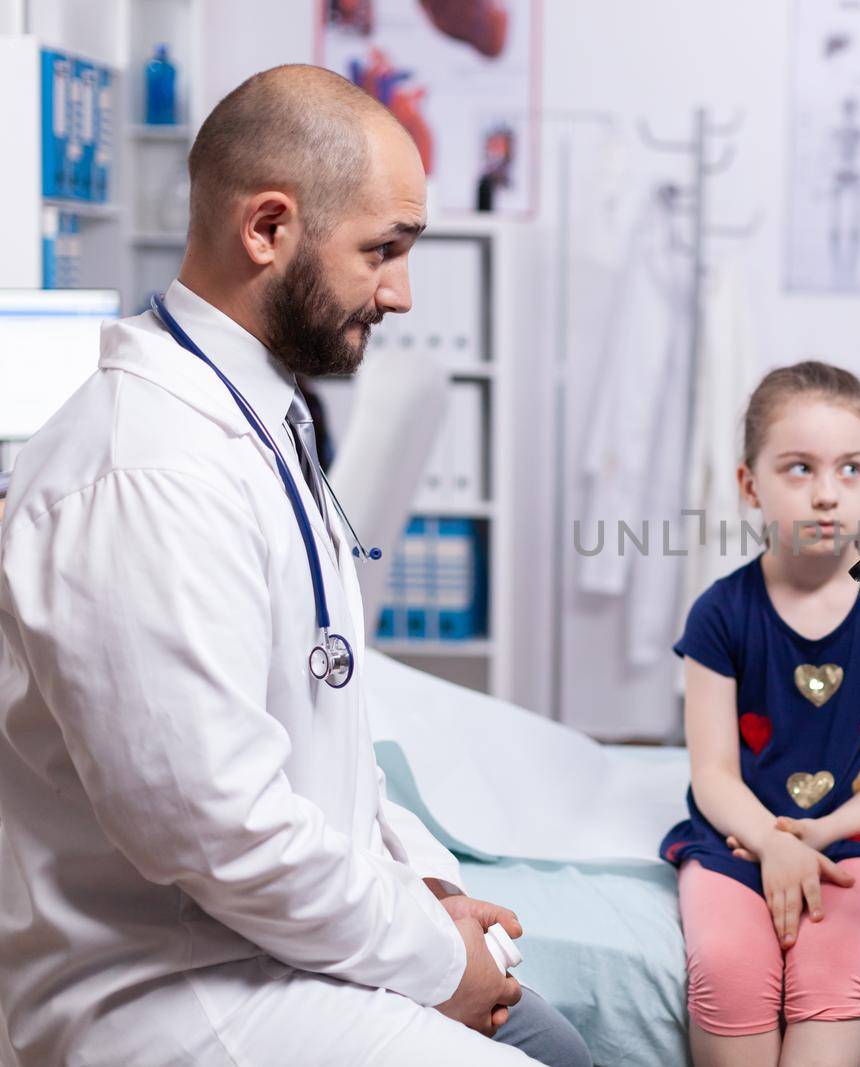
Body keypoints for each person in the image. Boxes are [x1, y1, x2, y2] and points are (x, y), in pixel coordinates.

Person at [0, 65, 588, 1067]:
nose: (400, 292)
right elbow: (223, 834)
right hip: (172, 987)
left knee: (563, 1041)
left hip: (272, 943)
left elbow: (324, 725)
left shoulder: (253, 419)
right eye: (382, 250)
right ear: (267, 229)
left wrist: (430, 887)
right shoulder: (145, 474)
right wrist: (436, 961)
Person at [659, 361, 860, 1067]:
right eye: (799, 469)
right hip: (736, 843)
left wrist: (820, 832)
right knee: (726, 966)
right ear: (749, 485)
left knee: (829, 964)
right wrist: (773, 841)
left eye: (851, 469)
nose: (827, 494)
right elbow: (714, 774)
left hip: (859, 842)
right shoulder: (720, 613)